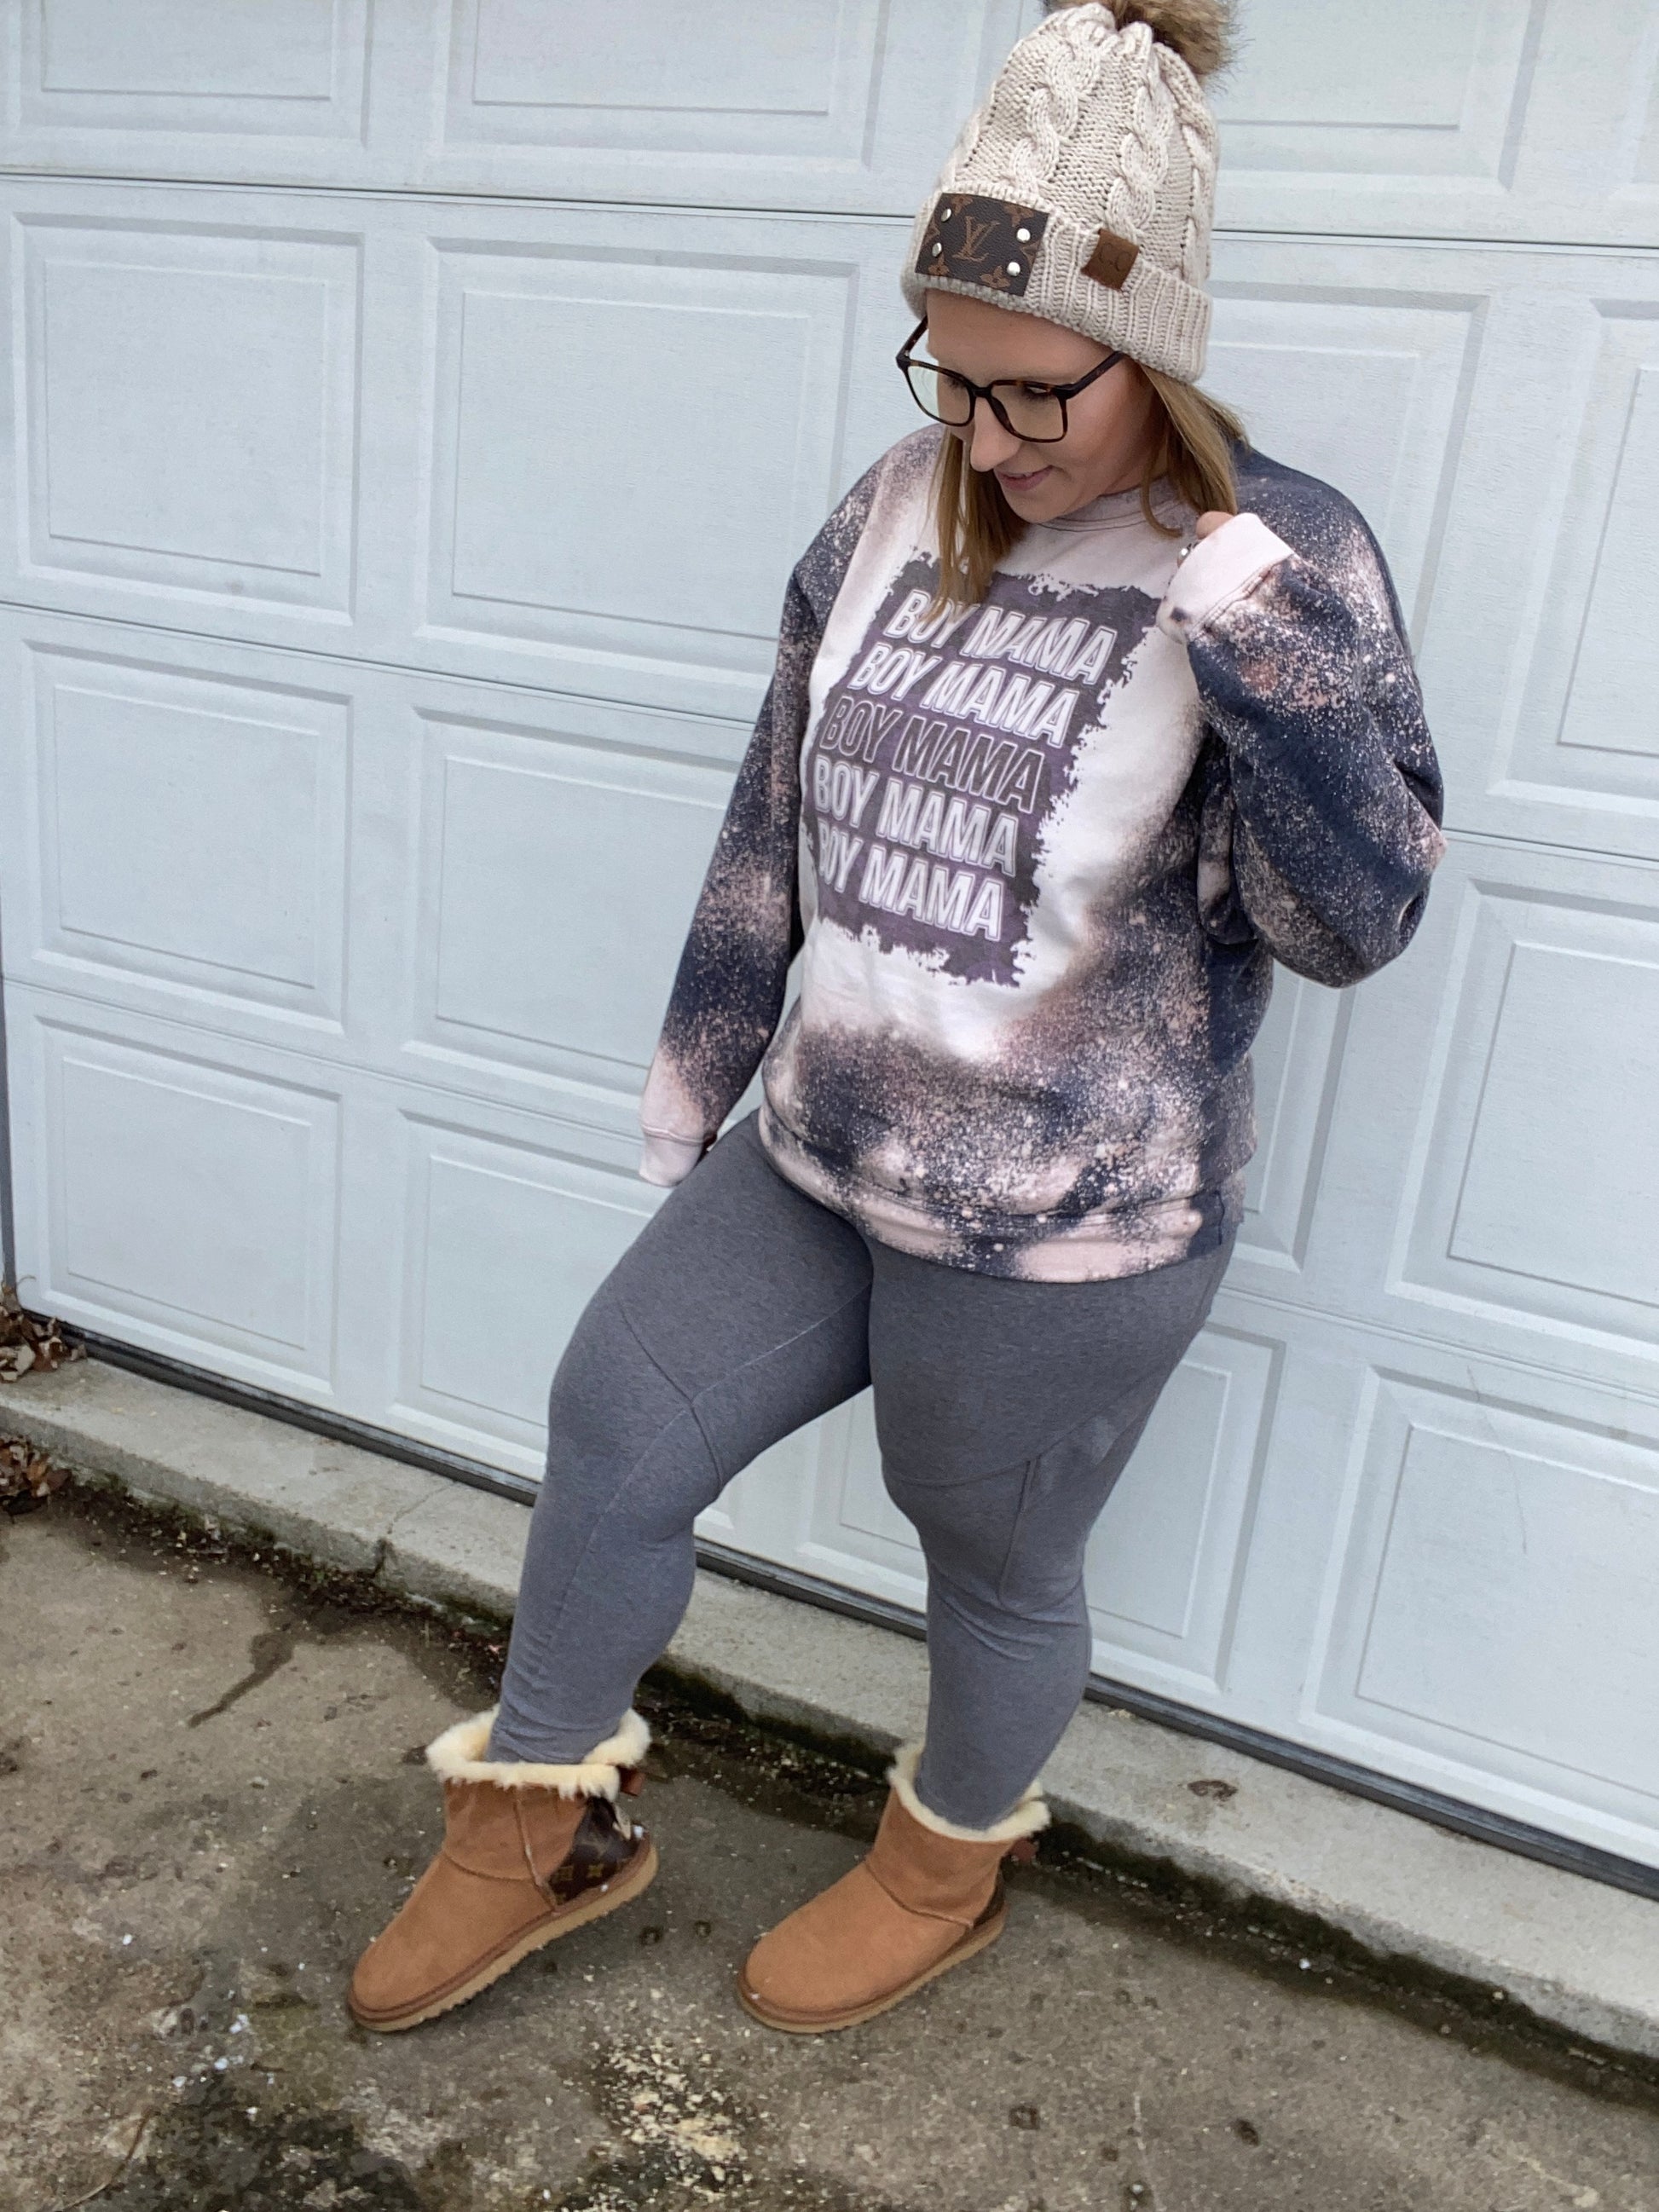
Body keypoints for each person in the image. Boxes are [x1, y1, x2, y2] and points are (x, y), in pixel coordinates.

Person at [347, 0, 1444, 2038]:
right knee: (612, 1426)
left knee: (988, 1561)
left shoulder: (1286, 560)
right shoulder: (892, 507)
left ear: (1155, 353)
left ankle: (946, 1865)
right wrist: (704, 1060)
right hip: (820, 1149)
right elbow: (776, 803)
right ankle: (537, 1821)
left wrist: (1254, 651)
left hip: (1063, 1226)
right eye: (953, 376)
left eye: (1038, 394)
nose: (990, 440)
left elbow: (1355, 918)